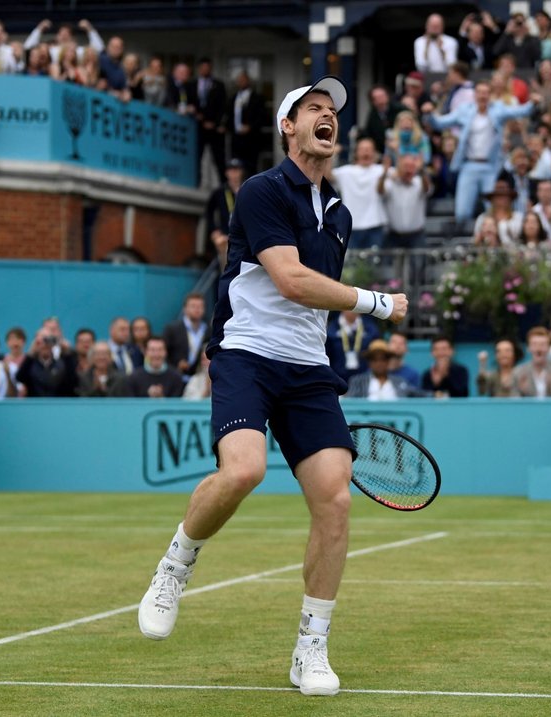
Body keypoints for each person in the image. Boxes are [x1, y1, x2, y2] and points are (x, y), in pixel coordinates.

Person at [137, 75, 408, 698]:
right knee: (242, 472)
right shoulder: (261, 190)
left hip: (308, 368)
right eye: (313, 109)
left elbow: (314, 308)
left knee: (335, 502)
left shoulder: (338, 212)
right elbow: (289, 280)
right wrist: (377, 303)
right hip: (247, 355)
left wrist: (337, 344)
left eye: (333, 112)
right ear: (289, 127)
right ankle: (175, 566)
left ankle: (310, 647)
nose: (327, 118)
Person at [424, 80, 536, 227]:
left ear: (490, 95)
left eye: (486, 93)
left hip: (490, 166)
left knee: (492, 209)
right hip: (469, 166)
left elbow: (520, 111)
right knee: (462, 212)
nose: (483, 96)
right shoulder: (465, 110)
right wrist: (429, 114)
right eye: (480, 92)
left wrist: (533, 103)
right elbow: (439, 123)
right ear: (475, 95)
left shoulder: (498, 109)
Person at [331, 138, 386, 250]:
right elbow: (327, 176)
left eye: (369, 149)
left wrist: (394, 152)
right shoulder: (346, 171)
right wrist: (331, 154)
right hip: (352, 227)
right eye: (362, 149)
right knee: (351, 266)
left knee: (374, 264)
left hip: (375, 226)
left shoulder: (381, 170)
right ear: (356, 152)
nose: (366, 152)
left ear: (374, 152)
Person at [344, 339, 428, 399]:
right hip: (366, 422)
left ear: (388, 362)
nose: (379, 363)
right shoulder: (358, 381)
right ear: (369, 363)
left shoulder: (399, 381)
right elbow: (349, 401)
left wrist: (435, 395)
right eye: (374, 360)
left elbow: (418, 393)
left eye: (383, 359)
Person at [15, 328, 79, 397]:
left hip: (56, 404)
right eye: (40, 341)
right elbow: (20, 378)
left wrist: (67, 353)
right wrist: (31, 354)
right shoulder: (30, 363)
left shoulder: (61, 363)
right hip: (35, 404)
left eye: (47, 340)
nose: (45, 345)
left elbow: (73, 382)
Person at [512, 327, 551, 398]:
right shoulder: (517, 373)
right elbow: (514, 404)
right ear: (528, 348)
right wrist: (522, 393)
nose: (538, 349)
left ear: (549, 348)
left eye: (543, 344)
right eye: (534, 344)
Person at [206, 158, 246, 267]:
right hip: (226, 235)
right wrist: (214, 231)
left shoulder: (247, 189)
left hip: (244, 236)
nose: (234, 174)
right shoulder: (220, 192)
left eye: (237, 170)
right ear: (226, 173)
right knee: (226, 263)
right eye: (231, 170)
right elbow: (209, 212)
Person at [163, 293, 211, 380]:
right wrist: (176, 365)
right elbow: (164, 353)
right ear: (185, 309)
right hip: (177, 377)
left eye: (200, 306)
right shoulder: (172, 329)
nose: (197, 309)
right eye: (193, 306)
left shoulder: (209, 330)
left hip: (201, 379)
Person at [228, 71, 267, 177]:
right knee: (236, 165)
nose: (241, 82)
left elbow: (263, 117)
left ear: (248, 81)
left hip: (252, 139)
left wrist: (250, 127)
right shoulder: (233, 98)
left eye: (243, 80)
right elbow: (229, 116)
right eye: (239, 80)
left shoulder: (257, 98)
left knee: (251, 167)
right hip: (236, 139)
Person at [119, 336, 185, 398]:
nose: (156, 354)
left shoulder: (176, 377)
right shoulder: (134, 378)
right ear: (145, 352)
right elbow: (131, 406)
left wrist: (161, 398)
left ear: (165, 352)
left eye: (160, 350)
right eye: (152, 350)